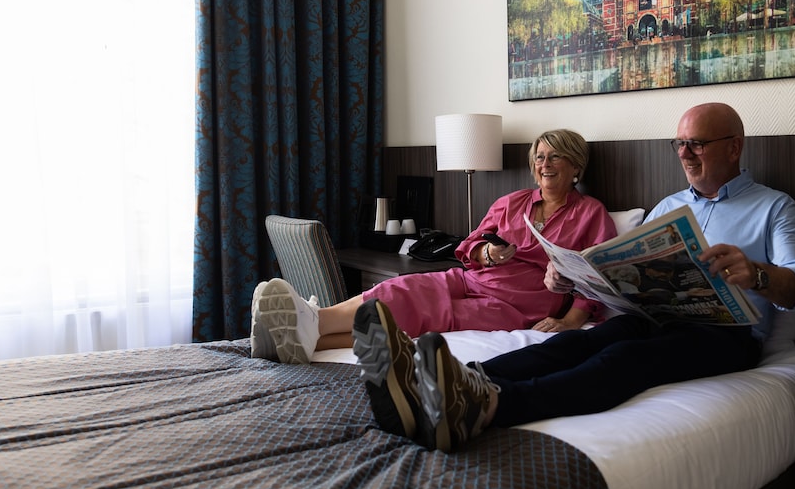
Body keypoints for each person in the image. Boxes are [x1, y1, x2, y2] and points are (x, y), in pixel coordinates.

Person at [352, 102, 795, 452]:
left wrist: (758, 274)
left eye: (696, 143)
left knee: (625, 359)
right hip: (655, 316)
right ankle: (440, 383)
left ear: (734, 146)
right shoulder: (669, 206)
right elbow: (624, 280)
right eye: (678, 143)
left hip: (727, 333)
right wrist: (573, 281)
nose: (684, 153)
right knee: (573, 345)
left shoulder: (774, 207)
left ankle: (489, 406)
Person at [250, 129, 617, 365]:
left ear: (576, 166)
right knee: (401, 287)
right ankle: (311, 325)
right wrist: (486, 254)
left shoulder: (591, 214)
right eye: (539, 156)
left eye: (554, 156)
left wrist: (570, 321)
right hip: (472, 279)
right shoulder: (512, 202)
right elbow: (469, 245)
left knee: (426, 316)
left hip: (517, 305)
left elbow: (601, 277)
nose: (544, 164)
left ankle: (307, 328)